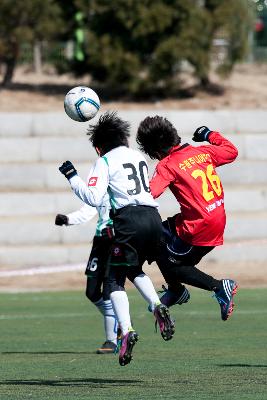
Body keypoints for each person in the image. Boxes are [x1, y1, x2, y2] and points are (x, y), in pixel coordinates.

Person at [59, 111, 175, 366]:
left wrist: (72, 177)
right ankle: (157, 305)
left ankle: (127, 330)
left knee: (112, 281)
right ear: (124, 138)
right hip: (154, 218)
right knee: (133, 269)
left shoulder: (104, 161)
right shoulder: (138, 157)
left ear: (99, 147)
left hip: (129, 221)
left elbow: (92, 196)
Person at [136, 116, 239, 321]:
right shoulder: (202, 152)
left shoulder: (167, 165)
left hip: (198, 226)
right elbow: (231, 151)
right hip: (215, 218)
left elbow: (151, 194)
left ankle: (218, 287)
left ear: (155, 151)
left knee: (173, 265)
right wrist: (209, 135)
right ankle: (176, 290)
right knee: (159, 234)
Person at [55, 194, 119, 354]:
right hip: (100, 241)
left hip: (117, 242)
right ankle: (122, 321)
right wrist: (67, 219)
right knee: (91, 292)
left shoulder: (122, 189)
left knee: (108, 293)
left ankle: (111, 341)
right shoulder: (100, 190)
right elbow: (87, 211)